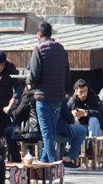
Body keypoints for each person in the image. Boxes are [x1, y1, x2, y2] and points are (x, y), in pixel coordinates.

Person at [27, 22, 71, 163]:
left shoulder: (38, 49)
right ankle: (43, 161)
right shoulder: (61, 49)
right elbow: (67, 73)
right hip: (58, 96)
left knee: (46, 132)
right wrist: (66, 91)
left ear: (39, 35)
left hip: (43, 96)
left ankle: (53, 164)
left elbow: (34, 75)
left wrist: (28, 81)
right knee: (51, 132)